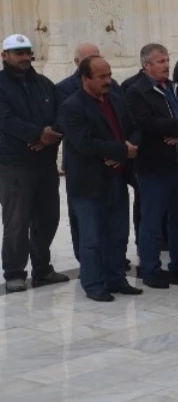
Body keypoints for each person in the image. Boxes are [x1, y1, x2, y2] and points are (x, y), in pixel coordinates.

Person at [58, 56, 140, 302]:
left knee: (118, 233)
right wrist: (121, 151)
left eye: (109, 75)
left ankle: (116, 278)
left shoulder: (116, 98)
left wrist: (126, 150)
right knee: (91, 238)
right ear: (85, 79)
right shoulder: (71, 106)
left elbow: (134, 128)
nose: (108, 80)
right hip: (88, 183)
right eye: (101, 77)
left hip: (116, 177)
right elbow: (84, 143)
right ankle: (93, 284)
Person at [126, 43, 178, 289]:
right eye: (160, 61)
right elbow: (145, 123)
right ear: (146, 65)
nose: (166, 65)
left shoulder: (177, 88)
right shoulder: (137, 91)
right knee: (152, 219)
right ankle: (150, 269)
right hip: (155, 166)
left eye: (167, 60)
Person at [0, 33, 67, 293]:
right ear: (5, 56)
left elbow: (62, 112)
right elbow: (6, 120)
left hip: (45, 162)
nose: (25, 57)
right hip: (14, 164)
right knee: (17, 221)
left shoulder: (43, 84)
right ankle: (15, 272)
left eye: (27, 52)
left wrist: (51, 136)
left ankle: (42, 269)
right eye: (18, 53)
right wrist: (38, 134)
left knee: (48, 217)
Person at [56, 41, 102, 262]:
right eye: (88, 58)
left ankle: (110, 256)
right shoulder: (64, 89)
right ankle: (85, 259)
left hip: (107, 162)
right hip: (80, 162)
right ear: (77, 63)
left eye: (96, 56)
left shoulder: (108, 84)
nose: (94, 61)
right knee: (81, 215)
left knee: (107, 212)